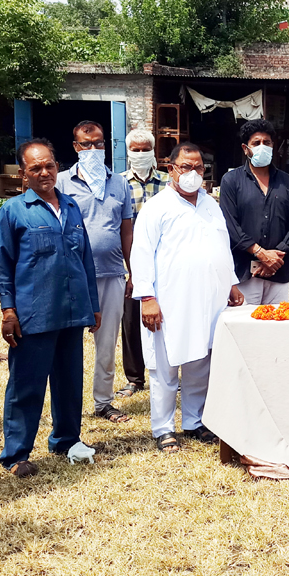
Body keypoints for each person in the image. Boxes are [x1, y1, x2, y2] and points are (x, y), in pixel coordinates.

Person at [0, 140, 102, 477]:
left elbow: (85, 259)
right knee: (26, 385)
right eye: (35, 168)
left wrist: (93, 304)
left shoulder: (71, 206)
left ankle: (66, 440)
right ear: (23, 174)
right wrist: (8, 310)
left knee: (69, 382)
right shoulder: (14, 211)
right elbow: (4, 264)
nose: (44, 172)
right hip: (34, 315)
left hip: (72, 311)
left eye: (49, 166)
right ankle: (16, 454)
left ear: (57, 167)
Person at [131, 143, 243, 452]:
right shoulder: (157, 207)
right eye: (185, 167)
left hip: (209, 300)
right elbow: (141, 253)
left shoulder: (210, 205)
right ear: (171, 169)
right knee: (165, 366)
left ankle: (194, 422)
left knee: (200, 363)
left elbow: (222, 247)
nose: (192, 173)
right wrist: (147, 297)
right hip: (169, 301)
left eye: (198, 168)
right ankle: (163, 428)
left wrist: (231, 284)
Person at [58, 120, 134, 424]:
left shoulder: (119, 183)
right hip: (72, 276)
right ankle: (68, 406)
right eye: (86, 144)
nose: (93, 149)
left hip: (112, 273)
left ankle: (103, 402)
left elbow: (126, 231)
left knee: (107, 344)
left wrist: (133, 272)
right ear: (75, 147)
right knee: (68, 344)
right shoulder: (62, 183)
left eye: (99, 143)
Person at [219, 119, 289, 307]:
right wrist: (260, 253)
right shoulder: (231, 181)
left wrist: (275, 258)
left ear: (273, 146)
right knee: (243, 322)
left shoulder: (286, 181)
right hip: (244, 272)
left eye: (267, 142)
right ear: (245, 148)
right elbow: (230, 225)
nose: (262, 146)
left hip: (279, 271)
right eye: (256, 143)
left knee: (277, 322)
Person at [117, 129, 169, 400]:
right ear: (128, 152)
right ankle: (135, 378)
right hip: (131, 261)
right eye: (135, 150)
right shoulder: (118, 184)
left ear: (153, 150)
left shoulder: (168, 182)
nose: (140, 154)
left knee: (167, 317)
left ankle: (169, 371)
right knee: (131, 321)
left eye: (144, 149)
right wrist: (130, 270)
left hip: (165, 260)